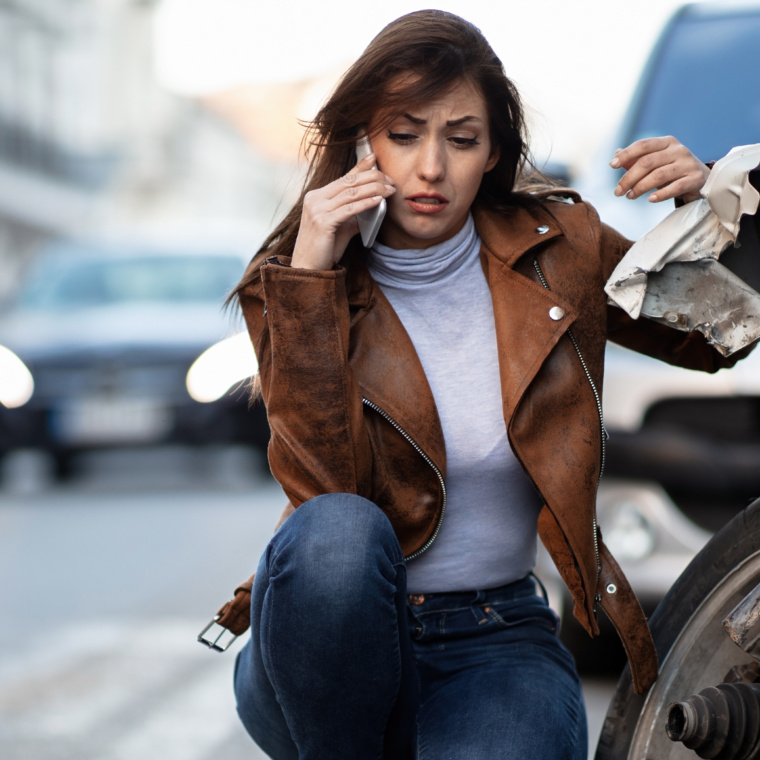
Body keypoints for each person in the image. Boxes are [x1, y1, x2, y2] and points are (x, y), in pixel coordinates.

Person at [210, 10, 750, 759]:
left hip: (494, 642)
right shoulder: (299, 285)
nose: (430, 167)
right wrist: (311, 278)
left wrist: (716, 208)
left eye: (460, 139)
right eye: (403, 136)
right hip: (331, 651)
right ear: (362, 142)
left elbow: (719, 336)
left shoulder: (562, 251)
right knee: (337, 532)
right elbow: (320, 489)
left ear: (493, 151)